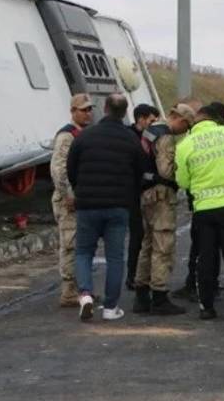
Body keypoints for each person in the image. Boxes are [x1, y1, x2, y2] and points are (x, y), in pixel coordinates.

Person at [68, 93, 144, 321]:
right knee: (115, 258)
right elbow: (139, 171)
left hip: (88, 205)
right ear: (125, 111)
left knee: (83, 252)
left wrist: (80, 190)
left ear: (105, 108)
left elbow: (71, 168)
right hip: (118, 207)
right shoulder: (131, 140)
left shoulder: (85, 136)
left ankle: (85, 295)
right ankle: (111, 308)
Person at [176, 105, 224, 321]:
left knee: (206, 258)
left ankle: (206, 307)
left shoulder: (185, 145)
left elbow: (182, 181)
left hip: (203, 210)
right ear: (215, 119)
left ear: (197, 121)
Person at [132, 104, 195, 315]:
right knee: (163, 245)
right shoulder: (166, 136)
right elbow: (166, 171)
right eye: (185, 125)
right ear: (178, 118)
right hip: (161, 196)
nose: (185, 131)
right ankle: (159, 296)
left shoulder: (150, 131)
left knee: (147, 244)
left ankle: (141, 295)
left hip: (146, 194)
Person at [49, 93, 94, 308]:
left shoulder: (84, 134)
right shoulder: (67, 136)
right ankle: (69, 291)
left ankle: (79, 289)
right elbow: (59, 169)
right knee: (70, 243)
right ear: (73, 111)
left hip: (81, 198)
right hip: (69, 200)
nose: (88, 113)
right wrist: (68, 194)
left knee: (81, 244)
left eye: (89, 109)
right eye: (84, 110)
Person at [127, 103, 160, 290]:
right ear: (141, 118)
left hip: (144, 191)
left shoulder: (148, 137)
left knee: (144, 235)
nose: (154, 124)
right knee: (137, 234)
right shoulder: (131, 138)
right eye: (151, 120)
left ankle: (141, 275)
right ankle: (133, 276)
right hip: (132, 193)